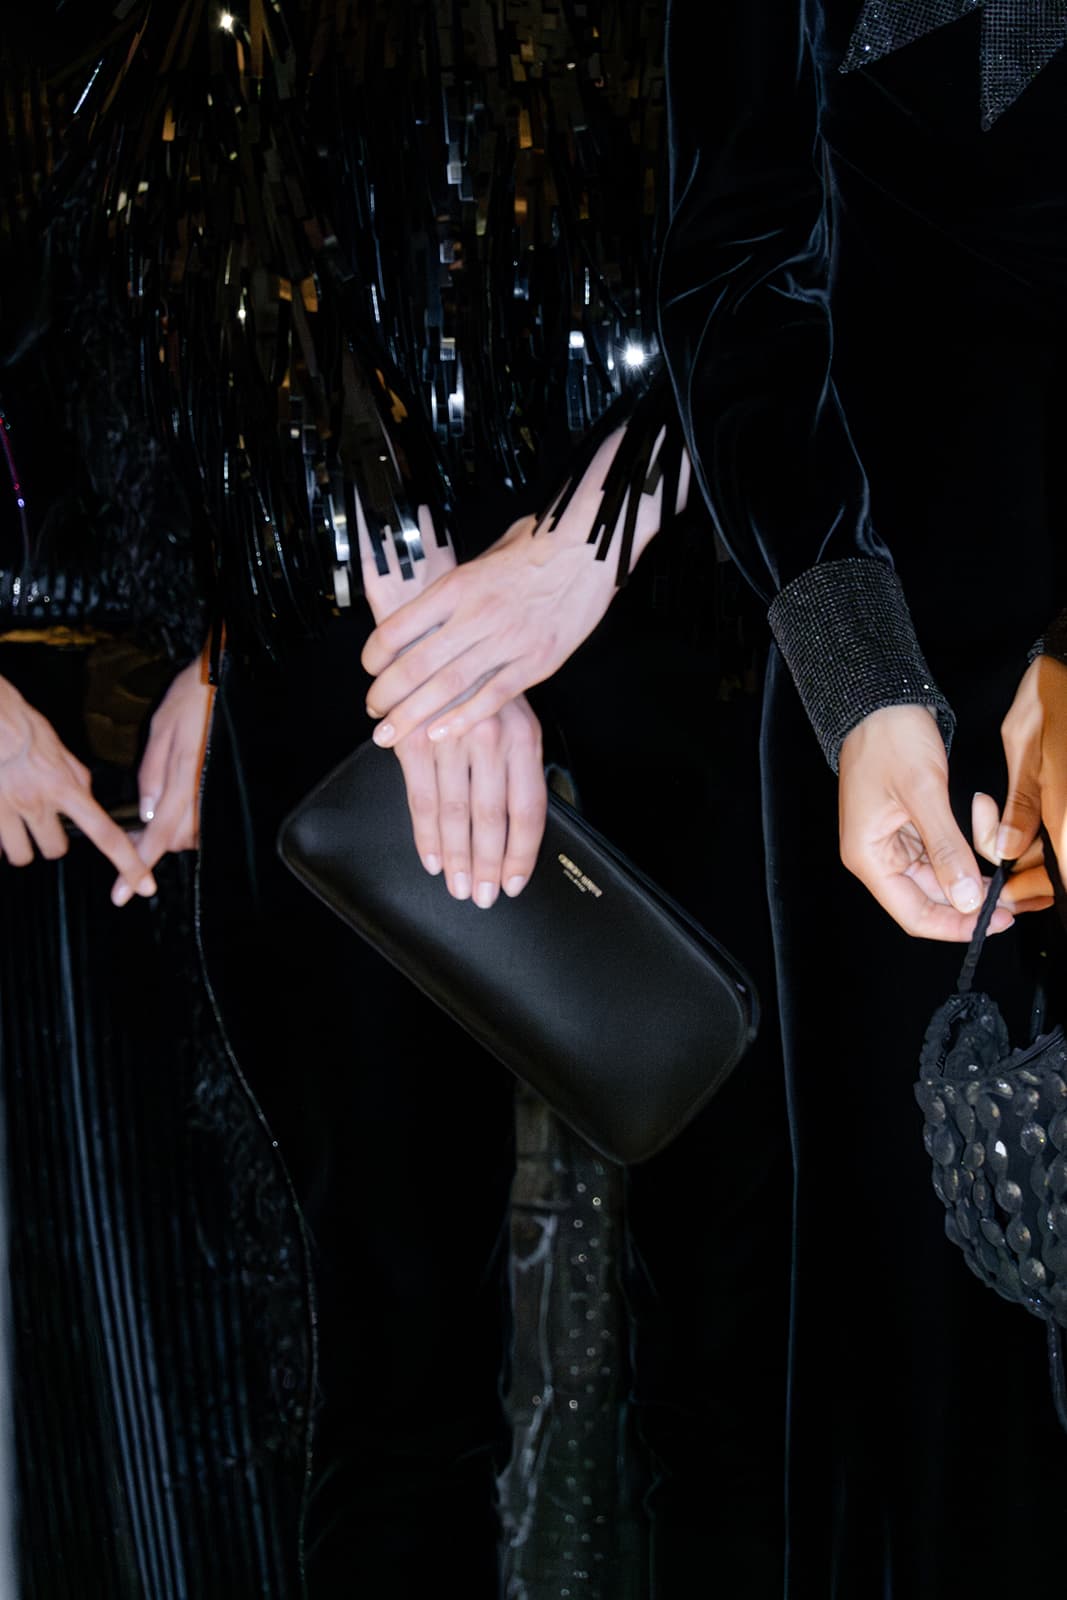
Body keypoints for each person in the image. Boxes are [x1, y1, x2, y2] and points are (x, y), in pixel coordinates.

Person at [61, 2, 792, 1593]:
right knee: (397, 1374)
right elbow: (188, 152)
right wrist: (412, 615)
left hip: (700, 576)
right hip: (344, 595)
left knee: (753, 1364)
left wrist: (588, 543)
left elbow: (807, 170)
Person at [363, 1, 1067, 1592]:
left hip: (900, 673)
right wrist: (859, 677)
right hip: (901, 705)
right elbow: (743, 254)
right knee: (925, 1419)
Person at [0, 14, 313, 1594]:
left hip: (208, 743)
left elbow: (298, 368)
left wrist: (230, 654)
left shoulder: (233, 41)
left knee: (219, 1329)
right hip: (38, 759)